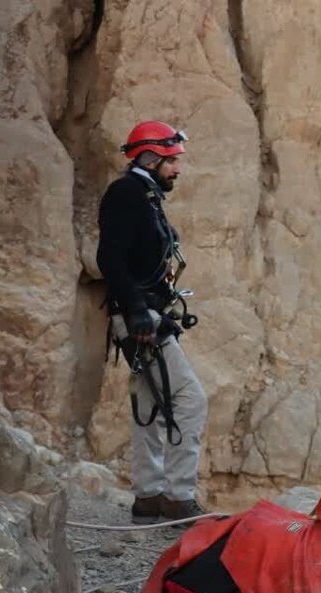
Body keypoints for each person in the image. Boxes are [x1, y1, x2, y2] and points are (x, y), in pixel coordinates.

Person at [97, 120, 208, 523]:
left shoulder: (144, 195)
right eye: (172, 161)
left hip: (143, 314)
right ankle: (177, 497)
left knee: (148, 402)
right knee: (190, 399)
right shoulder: (127, 194)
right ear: (149, 158)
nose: (178, 169)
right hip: (140, 317)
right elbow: (109, 258)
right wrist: (136, 310)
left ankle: (148, 496)